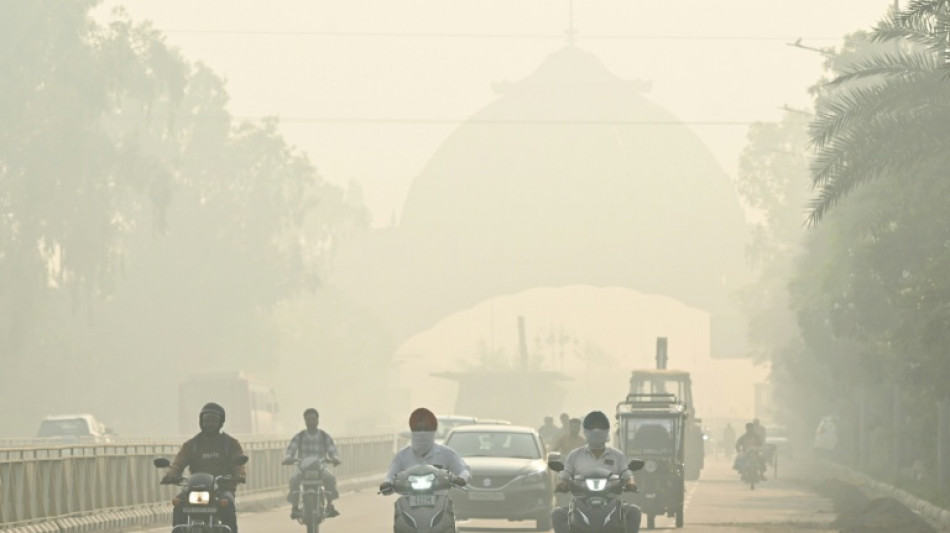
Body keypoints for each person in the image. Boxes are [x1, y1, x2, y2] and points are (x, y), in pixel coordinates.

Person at [161, 402, 246, 533]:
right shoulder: (192, 444)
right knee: (178, 503)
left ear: (221, 423)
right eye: (206, 421)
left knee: (227, 504)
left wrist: (240, 474)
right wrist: (171, 474)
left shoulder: (230, 444)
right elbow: (179, 462)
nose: (209, 424)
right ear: (201, 422)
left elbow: (238, 462)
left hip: (222, 487)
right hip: (195, 488)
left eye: (213, 421)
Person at [551, 411, 641, 533]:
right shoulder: (575, 455)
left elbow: (626, 472)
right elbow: (566, 473)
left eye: (600, 428)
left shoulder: (617, 455)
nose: (596, 431)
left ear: (606, 432)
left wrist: (630, 482)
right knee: (557, 514)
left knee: (634, 512)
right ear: (587, 432)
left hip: (612, 498)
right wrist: (563, 483)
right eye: (593, 427)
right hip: (581, 498)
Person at [380, 407, 471, 491]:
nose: (422, 433)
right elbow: (391, 475)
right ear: (412, 431)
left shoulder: (447, 454)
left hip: (440, 499)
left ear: (433, 431)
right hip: (408, 498)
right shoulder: (402, 456)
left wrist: (461, 479)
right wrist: (387, 483)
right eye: (418, 429)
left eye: (426, 429)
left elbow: (463, 470)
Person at [282, 408, 342, 519]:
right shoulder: (299, 436)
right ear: (305, 421)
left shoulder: (324, 436)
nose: (311, 422)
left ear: (318, 421)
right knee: (293, 479)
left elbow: (332, 450)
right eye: (308, 419)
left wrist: (335, 458)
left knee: (330, 478)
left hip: (320, 466)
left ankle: (329, 505)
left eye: (313, 419)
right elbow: (291, 450)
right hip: (303, 467)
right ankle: (295, 507)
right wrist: (288, 458)